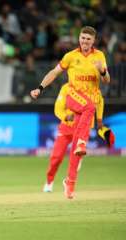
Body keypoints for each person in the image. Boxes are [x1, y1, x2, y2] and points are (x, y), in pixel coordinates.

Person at [30, 26, 110, 199]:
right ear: (79, 38)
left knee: (76, 154)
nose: (85, 41)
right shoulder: (71, 56)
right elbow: (54, 72)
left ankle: (70, 183)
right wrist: (40, 88)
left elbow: (106, 80)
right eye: (82, 38)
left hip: (86, 109)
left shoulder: (99, 56)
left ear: (93, 41)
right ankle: (49, 180)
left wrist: (102, 71)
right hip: (73, 97)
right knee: (90, 106)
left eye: (88, 39)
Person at [43, 83, 105, 193]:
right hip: (67, 127)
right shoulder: (66, 88)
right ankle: (49, 182)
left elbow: (100, 102)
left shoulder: (95, 89)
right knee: (56, 158)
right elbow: (58, 108)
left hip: (82, 128)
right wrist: (66, 117)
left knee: (77, 157)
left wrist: (99, 119)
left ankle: (68, 181)